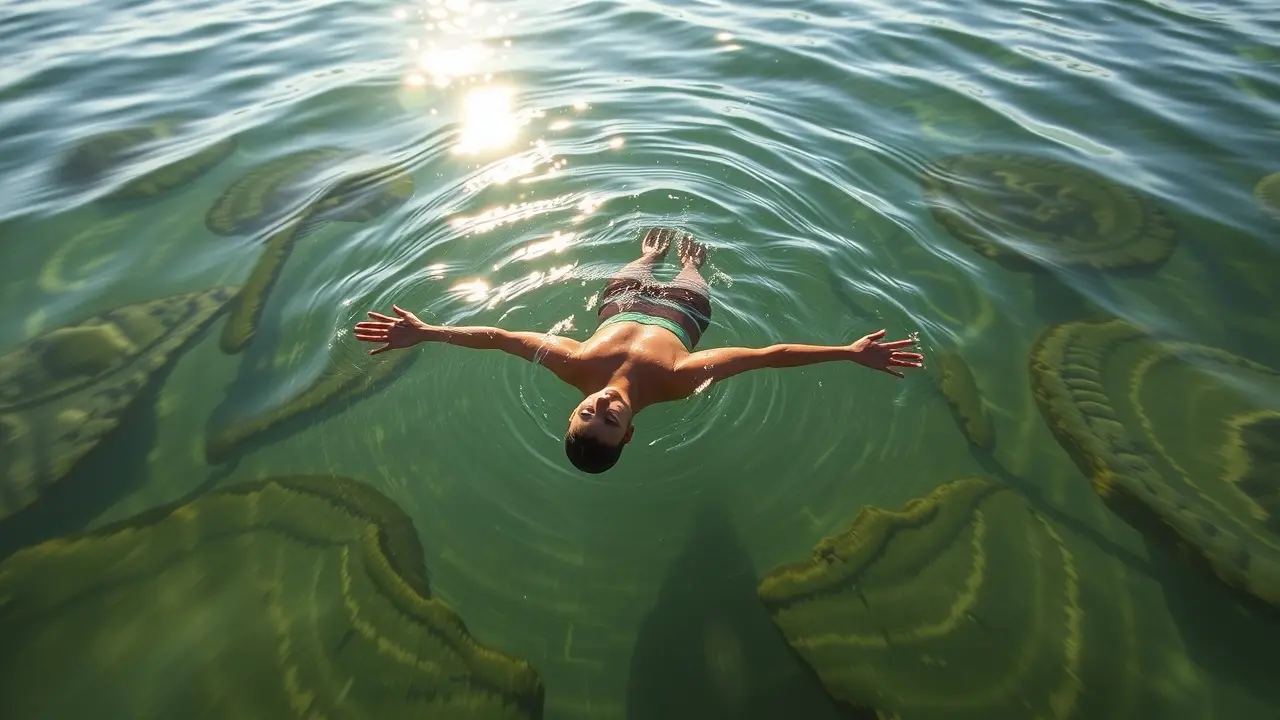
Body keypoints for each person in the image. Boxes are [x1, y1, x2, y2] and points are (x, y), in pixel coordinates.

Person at [353, 227, 926, 473]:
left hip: (619, 302)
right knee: (690, 270)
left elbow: (500, 339)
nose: (601, 408)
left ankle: (647, 255)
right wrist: (849, 353)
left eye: (586, 413)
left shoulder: (574, 365)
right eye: (609, 422)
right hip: (684, 311)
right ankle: (693, 263)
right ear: (628, 434)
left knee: (637, 266)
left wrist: (426, 332)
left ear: (574, 409)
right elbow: (767, 354)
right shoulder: (676, 381)